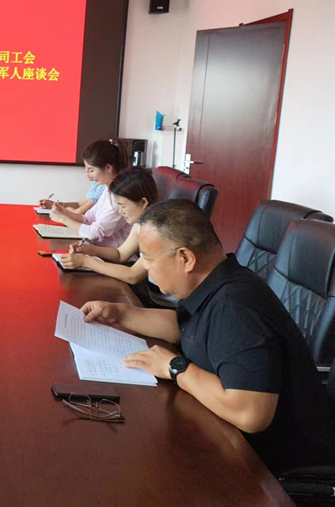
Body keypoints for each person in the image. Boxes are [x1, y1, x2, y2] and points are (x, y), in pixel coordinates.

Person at [80, 200, 335, 474]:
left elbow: (250, 414)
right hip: (224, 432)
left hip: (268, 465)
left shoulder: (235, 307)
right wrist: (121, 314)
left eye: (149, 260)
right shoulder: (217, 281)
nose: (147, 269)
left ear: (185, 258)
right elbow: (186, 327)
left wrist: (175, 367)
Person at [59, 167, 156, 283]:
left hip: (150, 293)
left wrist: (86, 262)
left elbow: (133, 276)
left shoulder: (156, 230)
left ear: (143, 202)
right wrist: (91, 249)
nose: (120, 212)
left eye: (123, 206)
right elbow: (120, 254)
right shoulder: (140, 224)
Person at [49, 139, 130, 248]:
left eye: (91, 170)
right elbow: (88, 219)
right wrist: (64, 212)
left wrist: (63, 219)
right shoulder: (108, 190)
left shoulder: (119, 197)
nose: (88, 175)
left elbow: (95, 234)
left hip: (110, 253)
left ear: (108, 168)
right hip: (98, 249)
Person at [39, 172, 104, 217]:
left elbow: (77, 213)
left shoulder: (104, 188)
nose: (87, 173)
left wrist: (66, 209)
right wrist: (53, 204)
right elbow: (79, 204)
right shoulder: (96, 183)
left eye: (91, 170)